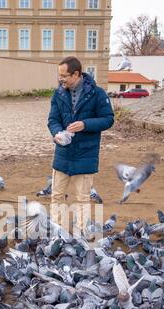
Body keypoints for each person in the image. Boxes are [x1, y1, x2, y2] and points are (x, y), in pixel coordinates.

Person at [47, 56, 114, 237]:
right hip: (63, 153)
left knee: (83, 199)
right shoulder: (58, 93)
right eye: (59, 75)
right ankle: (57, 234)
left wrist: (85, 124)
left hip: (86, 154)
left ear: (76, 74)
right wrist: (57, 133)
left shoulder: (98, 94)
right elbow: (53, 120)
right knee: (57, 197)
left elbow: (108, 119)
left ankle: (81, 235)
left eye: (64, 75)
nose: (60, 79)